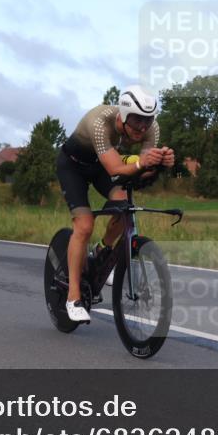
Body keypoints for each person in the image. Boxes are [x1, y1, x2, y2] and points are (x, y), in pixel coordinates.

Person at [55, 86, 175, 322]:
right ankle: (73, 297)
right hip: (73, 167)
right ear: (123, 115)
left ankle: (101, 251)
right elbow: (116, 168)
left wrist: (160, 164)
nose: (143, 127)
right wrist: (142, 163)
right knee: (84, 225)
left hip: (100, 166)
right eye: (137, 120)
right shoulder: (100, 122)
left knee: (124, 206)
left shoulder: (152, 128)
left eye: (147, 120)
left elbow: (143, 171)